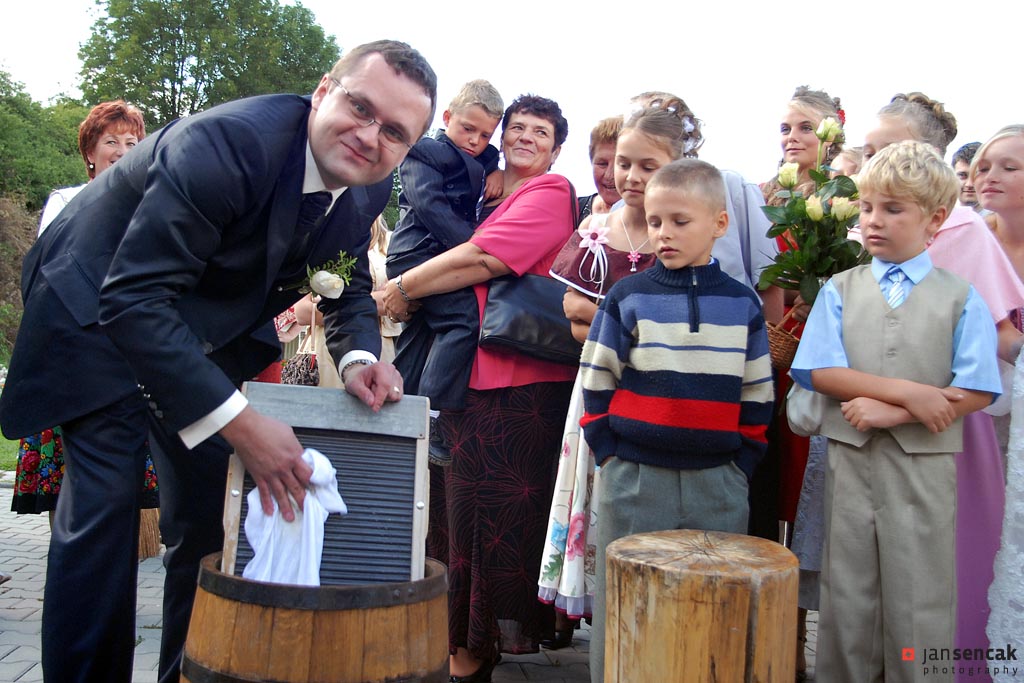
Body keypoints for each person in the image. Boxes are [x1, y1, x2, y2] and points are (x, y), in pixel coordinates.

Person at [0, 40, 436, 683]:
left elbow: (340, 287)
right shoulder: (227, 144)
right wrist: (241, 423)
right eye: (361, 108)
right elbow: (132, 300)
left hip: (194, 331)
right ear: (323, 91)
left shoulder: (366, 189)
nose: (371, 136)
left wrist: (358, 359)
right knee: (104, 512)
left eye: (395, 132)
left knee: (208, 516)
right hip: (95, 304)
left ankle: (187, 672)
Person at [382, 94, 577, 683]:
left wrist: (401, 288)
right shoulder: (486, 190)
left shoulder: (551, 192)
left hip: (516, 386)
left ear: (556, 150)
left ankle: (469, 654)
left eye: (540, 132)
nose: (525, 138)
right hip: (472, 380)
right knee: (457, 518)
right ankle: (460, 647)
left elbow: (483, 259)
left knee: (487, 525)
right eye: (516, 127)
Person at [791, 140, 1001, 683]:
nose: (874, 220)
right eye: (866, 208)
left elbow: (979, 388)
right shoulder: (840, 290)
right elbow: (818, 370)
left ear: (935, 219)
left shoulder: (961, 297)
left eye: (893, 209)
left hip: (925, 468)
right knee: (847, 594)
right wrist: (909, 393)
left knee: (920, 596)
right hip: (850, 463)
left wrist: (894, 413)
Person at [581, 158, 773, 683]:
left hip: (718, 484)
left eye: (680, 221)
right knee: (627, 609)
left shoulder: (743, 304)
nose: (664, 233)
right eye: (656, 221)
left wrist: (741, 464)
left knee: (711, 614)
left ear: (719, 223)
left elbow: (758, 392)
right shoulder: (628, 296)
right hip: (634, 480)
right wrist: (609, 453)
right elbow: (596, 378)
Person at [859, 97, 1024, 682]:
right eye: (870, 151)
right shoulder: (871, 230)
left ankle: (955, 666)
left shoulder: (964, 232)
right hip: (876, 418)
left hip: (947, 420)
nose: (875, 160)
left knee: (951, 554)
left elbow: (1001, 337)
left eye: (889, 148)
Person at [537, 98, 692, 644]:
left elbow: (670, 324)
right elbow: (572, 313)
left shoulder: (679, 235)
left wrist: (607, 321)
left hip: (653, 388)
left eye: (648, 166)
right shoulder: (598, 227)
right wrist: (629, 323)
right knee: (593, 487)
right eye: (623, 163)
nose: (630, 176)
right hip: (597, 385)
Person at [11, 101, 158, 521]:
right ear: (90, 152)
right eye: (111, 141)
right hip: (74, 355)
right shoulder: (67, 201)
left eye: (132, 142)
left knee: (121, 486)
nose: (122, 151)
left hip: (129, 356)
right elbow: (50, 279)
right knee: (76, 486)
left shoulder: (153, 205)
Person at [759, 84, 845, 677]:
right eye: (786, 128)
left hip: (823, 361)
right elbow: (761, 271)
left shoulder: (848, 198)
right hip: (774, 356)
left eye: (806, 127)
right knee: (773, 494)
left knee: (808, 499)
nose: (793, 138)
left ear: (833, 131)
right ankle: (775, 641)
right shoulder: (769, 197)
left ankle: (802, 634)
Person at [386, 80, 504, 466]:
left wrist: (496, 169)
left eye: (485, 135)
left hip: (439, 255)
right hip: (419, 254)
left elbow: (488, 157)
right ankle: (432, 415)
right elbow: (430, 206)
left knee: (419, 336)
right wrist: (474, 248)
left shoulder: (484, 156)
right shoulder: (423, 151)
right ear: (447, 117)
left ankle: (395, 413)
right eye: (467, 129)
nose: (475, 141)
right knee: (462, 320)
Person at [577, 116, 623, 222]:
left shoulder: (651, 218)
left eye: (621, 165)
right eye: (602, 164)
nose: (609, 175)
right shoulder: (572, 210)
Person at [951, 141, 982, 210]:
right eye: (962, 175)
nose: (969, 184)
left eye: (976, 176)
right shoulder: (942, 215)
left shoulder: (1002, 216)